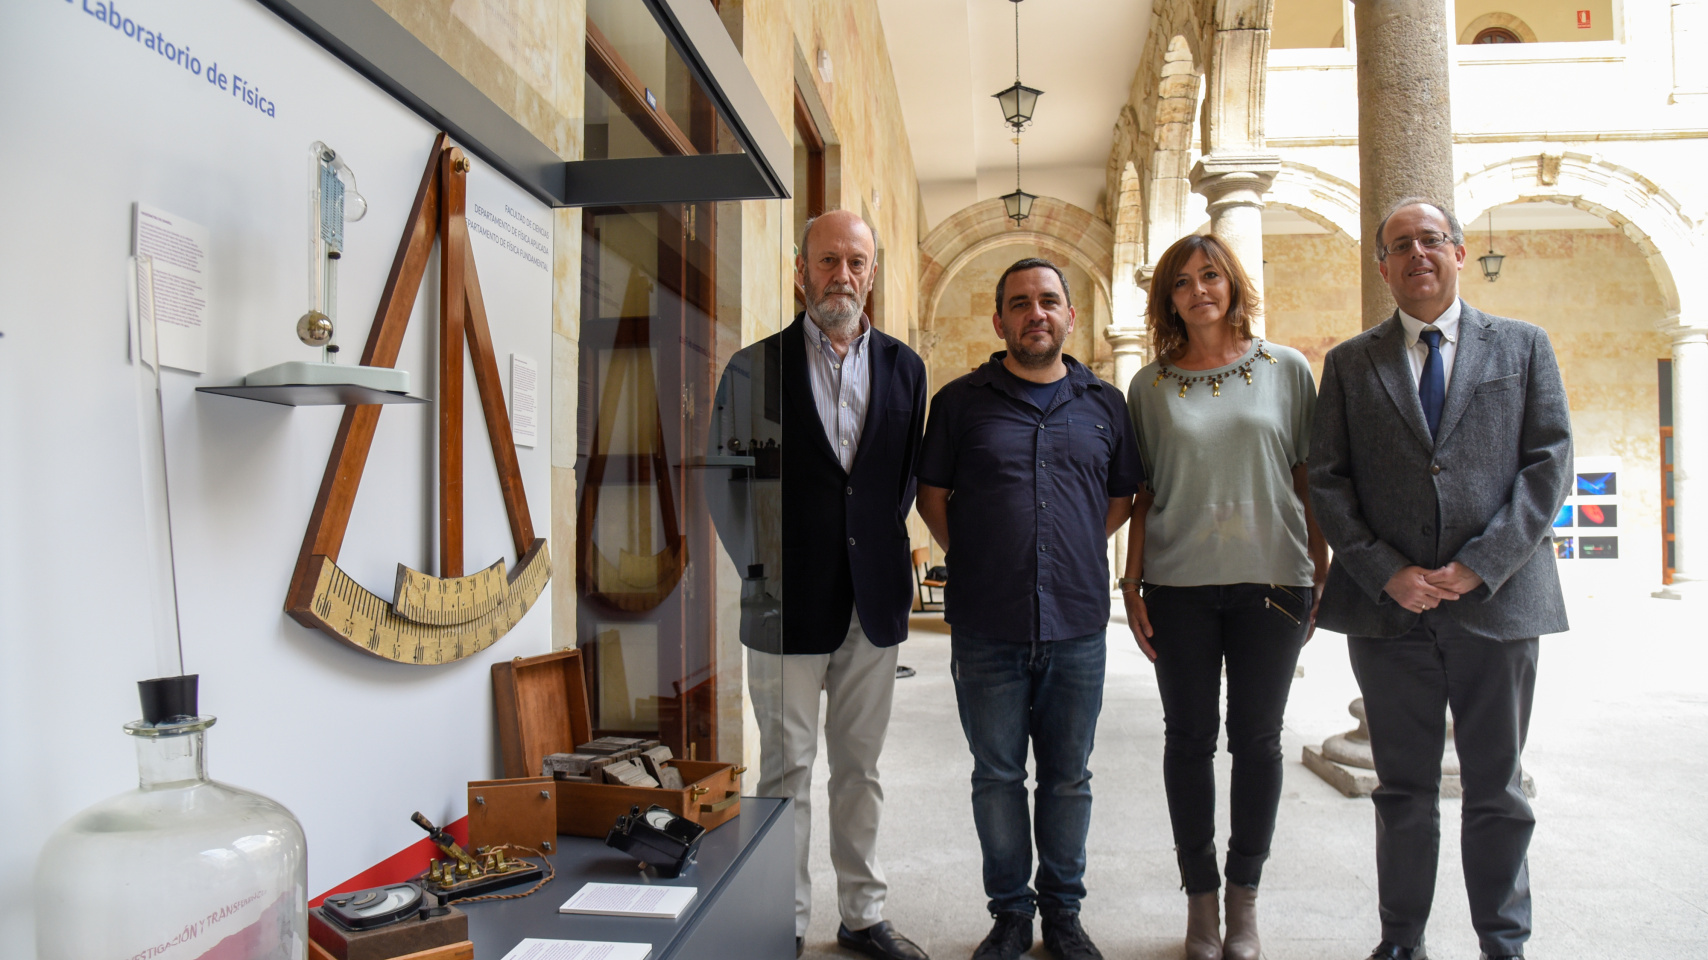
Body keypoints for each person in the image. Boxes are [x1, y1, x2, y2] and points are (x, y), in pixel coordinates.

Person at [1310, 198, 1572, 960]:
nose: (1417, 254)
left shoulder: (1523, 347)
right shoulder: (1352, 363)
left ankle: (1503, 942)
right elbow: (1328, 481)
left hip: (1498, 606)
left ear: (1459, 253)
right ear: (1382, 266)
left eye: (1432, 241)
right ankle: (1401, 941)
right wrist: (1386, 572)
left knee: (1497, 789)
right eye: (1400, 245)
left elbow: (1548, 464)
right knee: (1402, 793)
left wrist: (1481, 565)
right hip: (1390, 615)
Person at [713, 210, 930, 960]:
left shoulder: (906, 369)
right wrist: (761, 574)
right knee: (784, 769)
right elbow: (726, 487)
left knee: (860, 769)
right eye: (829, 261)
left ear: (873, 272)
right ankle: (784, 917)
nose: (844, 275)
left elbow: (896, 482)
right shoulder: (751, 368)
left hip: (873, 602)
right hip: (782, 606)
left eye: (857, 262)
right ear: (799, 270)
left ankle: (863, 914)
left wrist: (865, 551)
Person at [916, 257, 1143, 960]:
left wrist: (1068, 545)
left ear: (1070, 316)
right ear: (1000, 321)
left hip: (1076, 621)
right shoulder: (958, 403)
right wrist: (986, 552)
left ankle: (1064, 914)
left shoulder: (1105, 402)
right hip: (988, 623)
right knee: (998, 776)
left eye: (1049, 301)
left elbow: (1120, 498)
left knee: (1070, 776)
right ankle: (1011, 913)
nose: (1035, 313)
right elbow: (933, 496)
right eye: (1020, 303)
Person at [1119, 233, 1327, 960]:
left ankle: (1245, 903)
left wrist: (1320, 567)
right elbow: (1143, 495)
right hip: (1177, 585)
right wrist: (1130, 580)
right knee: (1188, 741)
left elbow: (1307, 478)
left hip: (1273, 579)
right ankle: (1200, 904)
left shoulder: (1288, 370)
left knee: (1259, 741)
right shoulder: (1148, 387)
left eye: (1211, 275)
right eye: (1182, 281)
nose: (1199, 289)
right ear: (1168, 298)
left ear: (1233, 283)